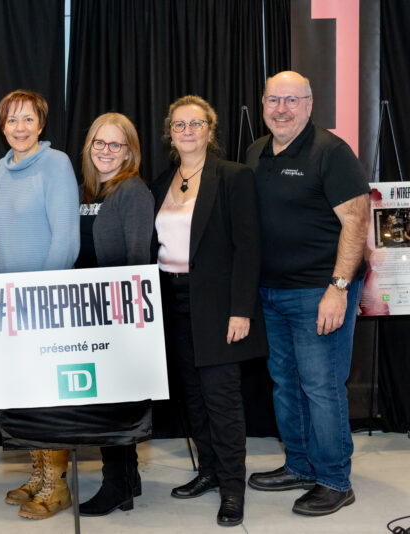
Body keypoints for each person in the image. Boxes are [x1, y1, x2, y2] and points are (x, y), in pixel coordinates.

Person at [245, 71, 370, 516]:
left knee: (321, 387)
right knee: (286, 385)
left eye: (291, 100)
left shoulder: (331, 152)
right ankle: (299, 465)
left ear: (309, 104)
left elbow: (357, 221)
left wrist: (338, 289)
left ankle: (335, 479)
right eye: (273, 100)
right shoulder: (257, 152)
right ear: (262, 104)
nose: (281, 109)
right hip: (272, 294)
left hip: (320, 291)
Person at [153, 95, 268, 527]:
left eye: (195, 123)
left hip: (219, 308)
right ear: (170, 132)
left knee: (222, 401)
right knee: (194, 399)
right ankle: (208, 472)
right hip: (173, 301)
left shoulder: (234, 177)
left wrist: (242, 310)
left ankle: (233, 490)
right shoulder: (162, 179)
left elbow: (248, 247)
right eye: (179, 125)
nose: (187, 131)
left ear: (210, 129)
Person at [0, 89, 79, 520]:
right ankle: (37, 473)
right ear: (2, 125)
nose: (20, 128)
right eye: (12, 120)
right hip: (10, 307)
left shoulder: (56, 164)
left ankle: (57, 486)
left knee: (49, 396)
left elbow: (65, 237)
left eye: (28, 120)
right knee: (24, 392)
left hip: (45, 304)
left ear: (41, 125)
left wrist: (42, 297)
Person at [73, 113, 154, 516]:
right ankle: (129, 477)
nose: (106, 151)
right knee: (107, 400)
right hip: (89, 311)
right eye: (99, 143)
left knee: (114, 405)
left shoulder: (133, 191)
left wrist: (130, 321)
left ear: (129, 151)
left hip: (119, 313)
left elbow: (139, 258)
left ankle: (116, 485)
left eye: (115, 145)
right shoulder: (87, 192)